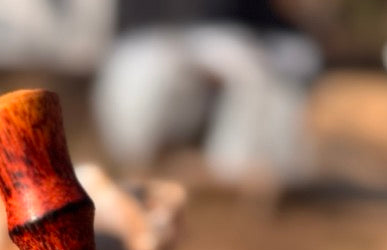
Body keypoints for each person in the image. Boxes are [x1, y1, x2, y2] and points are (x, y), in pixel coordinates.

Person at [92, 0, 323, 191]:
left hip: (207, 46)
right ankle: (222, 167)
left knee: (269, 65)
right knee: (246, 67)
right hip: (146, 56)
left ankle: (238, 168)